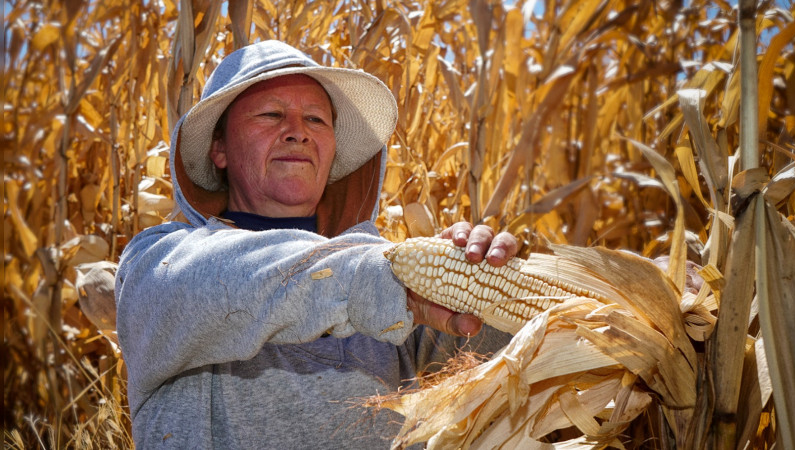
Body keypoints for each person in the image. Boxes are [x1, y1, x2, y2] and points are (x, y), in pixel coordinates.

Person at [115, 40, 518, 448]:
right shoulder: (158, 263)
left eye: (316, 120)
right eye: (272, 114)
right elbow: (220, 282)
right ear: (219, 148)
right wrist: (379, 277)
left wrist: (491, 286)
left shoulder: (392, 275)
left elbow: (493, 378)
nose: (298, 132)